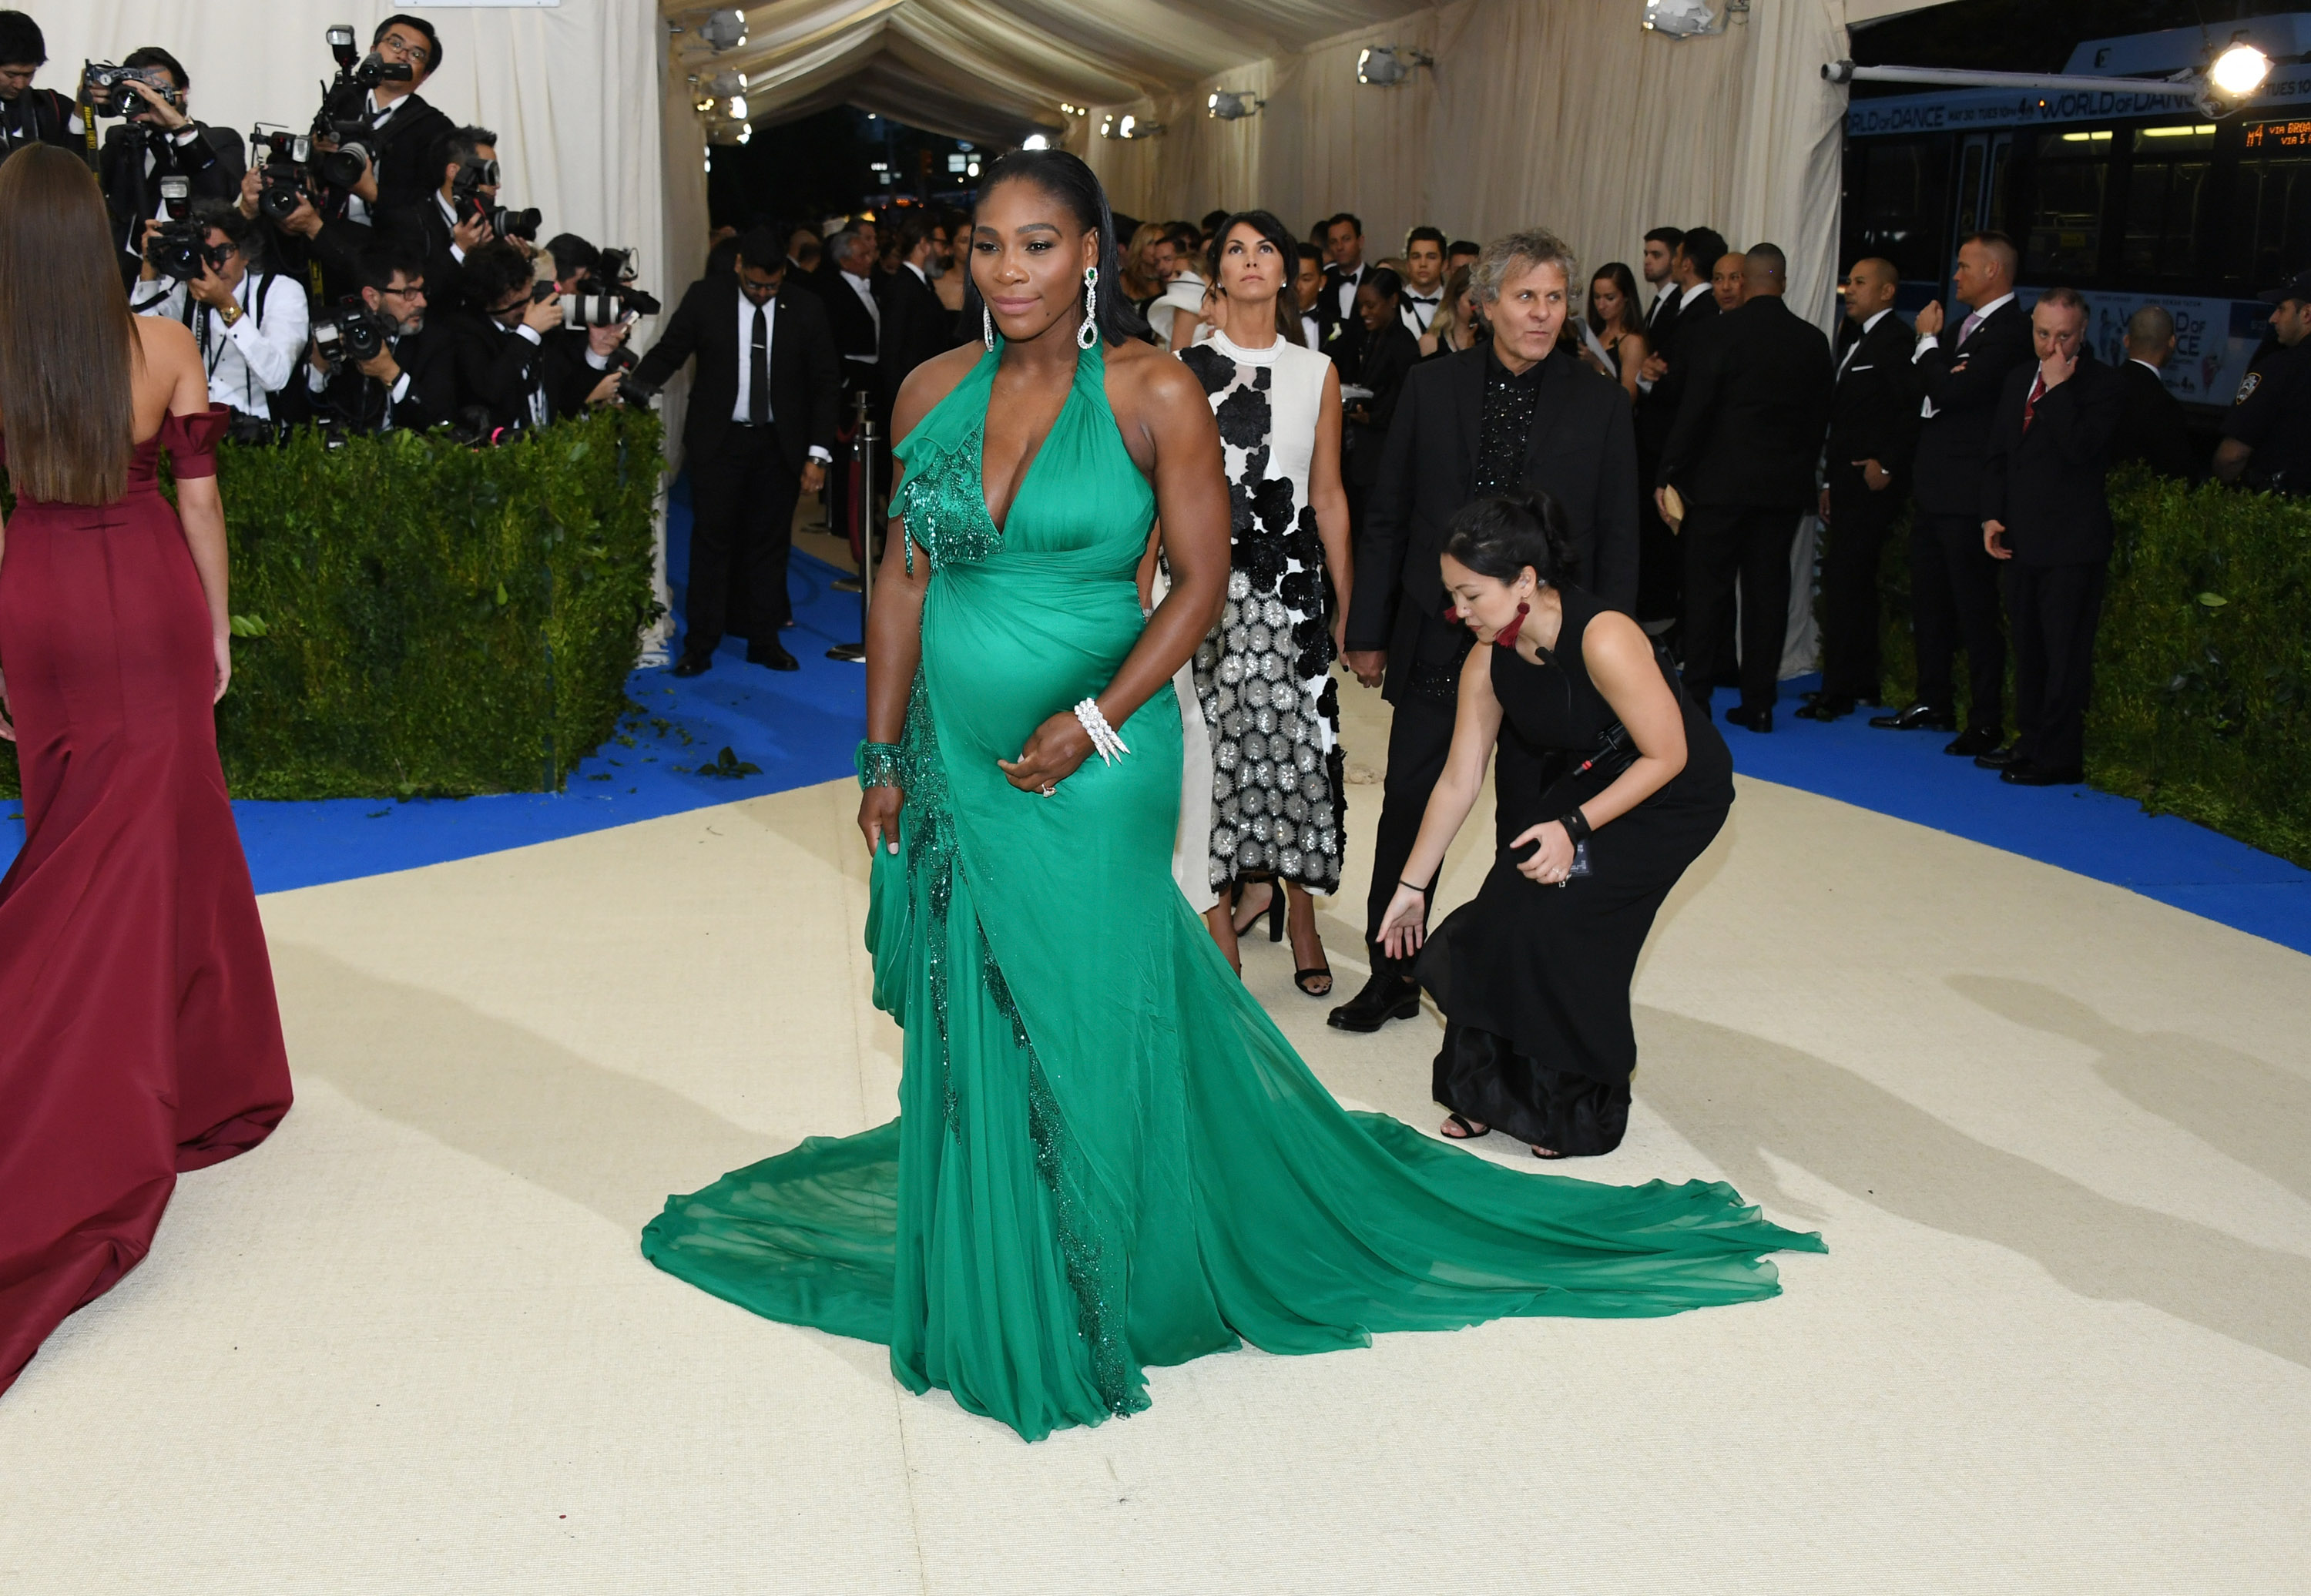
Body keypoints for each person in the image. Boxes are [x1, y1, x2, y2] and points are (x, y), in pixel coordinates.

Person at [636, 150, 1821, 1445]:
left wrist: (1094, 721)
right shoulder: (928, 387)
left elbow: (1203, 579)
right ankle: (999, 1234)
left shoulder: (1153, 388)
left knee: (1085, 999)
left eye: (1038, 244)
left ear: (1094, 253)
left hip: (1104, 755)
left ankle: (1102, 1261)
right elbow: (903, 578)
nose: (1009, 270)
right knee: (976, 1004)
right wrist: (879, 757)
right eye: (986, 244)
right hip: (953, 761)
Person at [0, 145, 291, 1397]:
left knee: (70, 829)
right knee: (169, 834)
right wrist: (218, 628)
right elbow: (201, 505)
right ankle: (159, 1073)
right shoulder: (165, 347)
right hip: (149, 596)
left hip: (41, 598)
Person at [1335, 227, 1639, 1033]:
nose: (1541, 313)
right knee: (1410, 803)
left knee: (1528, 822)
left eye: (1553, 298)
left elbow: (1619, 537)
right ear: (1485, 304)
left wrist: (1609, 656)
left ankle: (1507, 990)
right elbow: (1388, 513)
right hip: (1439, 638)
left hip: (1550, 655)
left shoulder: (1601, 403)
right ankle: (1392, 971)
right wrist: (1368, 627)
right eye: (1524, 296)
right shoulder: (1432, 388)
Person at [1377, 490, 1733, 1157]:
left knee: (1572, 923)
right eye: (1452, 594)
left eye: (1471, 595)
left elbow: (1669, 754)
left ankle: (1574, 1105)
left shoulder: (1605, 636)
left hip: (1676, 791)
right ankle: (1485, 1090)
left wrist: (1572, 826)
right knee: (1502, 911)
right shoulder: (1488, 660)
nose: (1457, 612)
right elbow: (1460, 779)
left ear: (1526, 583)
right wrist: (1412, 885)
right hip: (1599, 776)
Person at [1178, 210, 1354, 991]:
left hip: (1291, 586)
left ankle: (1302, 912)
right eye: (1236, 250)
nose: (1251, 261)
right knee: (1210, 752)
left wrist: (1350, 605)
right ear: (1217, 273)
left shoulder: (1318, 372)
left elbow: (1330, 495)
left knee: (1301, 750)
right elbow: (1162, 491)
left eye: (1267, 249)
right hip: (1204, 587)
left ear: (1289, 272)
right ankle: (1219, 908)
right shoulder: (1182, 367)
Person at [626, 224, 839, 675]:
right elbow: (670, 351)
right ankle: (699, 646)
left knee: (769, 547)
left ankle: (764, 640)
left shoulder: (806, 307)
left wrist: (817, 455)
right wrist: (632, 390)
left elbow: (824, 386)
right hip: (718, 443)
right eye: (754, 284)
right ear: (738, 265)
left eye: (772, 285)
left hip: (778, 445)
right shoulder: (706, 297)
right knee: (711, 545)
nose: (762, 294)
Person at [1655, 244, 1833, 733]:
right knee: (1767, 593)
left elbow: (1696, 411)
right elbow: (1819, 422)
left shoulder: (1720, 331)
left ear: (1748, 281)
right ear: (1783, 280)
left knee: (1706, 592)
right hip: (1781, 493)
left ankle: (1698, 700)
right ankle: (1759, 703)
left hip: (1718, 488)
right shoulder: (1813, 341)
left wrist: (1668, 471)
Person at [1872, 231, 2030, 753]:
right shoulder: (1963, 328)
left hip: (1970, 496)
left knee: (1975, 611)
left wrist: (1927, 347)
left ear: (1993, 272)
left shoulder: (2011, 331)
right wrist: (1938, 362)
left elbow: (1953, 390)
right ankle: (1933, 700)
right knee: (1931, 603)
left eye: (1964, 266)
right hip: (1935, 489)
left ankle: (1985, 719)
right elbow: (1936, 392)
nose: (1955, 275)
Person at [1981, 287, 2122, 786]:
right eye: (2043, 334)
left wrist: (2060, 390)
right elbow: (2001, 454)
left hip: (2071, 546)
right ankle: (2031, 741)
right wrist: (1991, 517)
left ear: (2082, 334)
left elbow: (2082, 449)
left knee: (2065, 655)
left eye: (2064, 336)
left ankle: (2060, 757)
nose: (2052, 346)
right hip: (2020, 541)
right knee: (2030, 649)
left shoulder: (2102, 386)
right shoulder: (2019, 377)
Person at [1806, 257, 1920, 723]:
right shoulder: (1852, 337)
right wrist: (1831, 480)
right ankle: (1859, 683)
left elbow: (1912, 407)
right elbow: (1844, 417)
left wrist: (1888, 464)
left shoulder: (1895, 339)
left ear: (1888, 292)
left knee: (1847, 582)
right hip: (1846, 480)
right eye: (1848, 282)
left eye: (1859, 283)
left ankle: (1840, 690)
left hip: (1872, 485)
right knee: (1847, 582)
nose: (1848, 290)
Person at [129, 201, 310, 440]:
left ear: (245, 253)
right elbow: (138, 351)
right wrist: (150, 267)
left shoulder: (282, 292)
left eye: (222, 252)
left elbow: (275, 376)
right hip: (190, 440)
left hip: (260, 440)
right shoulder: (182, 291)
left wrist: (227, 306)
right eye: (204, 253)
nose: (213, 265)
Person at [1632, 226, 1726, 641]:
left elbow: (1686, 383)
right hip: (1664, 438)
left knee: (1678, 539)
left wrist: (1652, 379)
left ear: (1684, 260)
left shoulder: (1703, 312)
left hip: (1677, 443)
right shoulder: (1683, 306)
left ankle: (1681, 626)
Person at [96, 46, 245, 289]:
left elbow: (221, 193)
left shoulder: (219, 140)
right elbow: (77, 186)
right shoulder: (120, 141)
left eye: (158, 92)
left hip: (190, 279)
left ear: (183, 91)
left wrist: (180, 128)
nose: (152, 100)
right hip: (122, 280)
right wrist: (82, 113)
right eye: (142, 93)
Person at [304, 240, 455, 434]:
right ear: (373, 297)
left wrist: (392, 375)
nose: (422, 302)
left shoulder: (435, 340)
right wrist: (317, 371)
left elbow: (442, 423)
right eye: (409, 293)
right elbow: (298, 418)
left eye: (422, 291)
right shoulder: (341, 332)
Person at [334, 15, 454, 220]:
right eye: (395, 44)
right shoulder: (342, 101)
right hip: (323, 231)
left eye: (416, 54)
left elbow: (426, 207)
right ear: (373, 52)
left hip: (385, 243)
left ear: (425, 76)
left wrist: (374, 194)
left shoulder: (436, 128)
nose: (403, 55)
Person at [384, 125, 507, 315]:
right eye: (488, 173)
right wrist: (459, 250)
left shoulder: (490, 219)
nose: (496, 184)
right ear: (454, 172)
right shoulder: (410, 221)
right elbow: (419, 294)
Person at [2215, 270, 2311, 492]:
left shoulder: (2279, 368)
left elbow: (2231, 456)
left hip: (2280, 508)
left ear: (2307, 314)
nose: (2273, 318)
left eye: (2281, 308)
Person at [1345, 266, 1418, 551]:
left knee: (1376, 534)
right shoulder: (1373, 336)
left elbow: (1408, 403)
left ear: (1393, 301)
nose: (1364, 312)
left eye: (1371, 305)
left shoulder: (1403, 345)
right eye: (1361, 305)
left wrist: (1371, 416)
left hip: (1384, 455)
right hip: (1366, 453)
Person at [878, 210, 952, 416]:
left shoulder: (923, 284)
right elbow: (891, 352)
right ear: (923, 244)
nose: (946, 252)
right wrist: (900, 408)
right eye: (941, 244)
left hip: (925, 397)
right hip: (912, 403)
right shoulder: (902, 287)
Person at [2111, 304, 2195, 481]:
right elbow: (2178, 475)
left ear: (2126, 340)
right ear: (2172, 342)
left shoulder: (2099, 387)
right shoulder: (2165, 407)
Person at [0, 12, 78, 157]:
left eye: (29, 74)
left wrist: (82, 109)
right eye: (11, 75)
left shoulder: (51, 108)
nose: (20, 84)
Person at [1582, 261, 1650, 404]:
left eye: (1610, 298)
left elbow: (1628, 398)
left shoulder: (1632, 341)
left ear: (1626, 297)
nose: (1601, 305)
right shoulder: (1594, 333)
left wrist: (1599, 366)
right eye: (1596, 297)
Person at [1320, 212, 1370, 376]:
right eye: (1334, 242)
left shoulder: (1375, 280)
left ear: (1360, 241)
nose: (1340, 247)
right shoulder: (1323, 281)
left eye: (1346, 239)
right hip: (1330, 369)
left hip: (1366, 369)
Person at [1420, 263, 1480, 359]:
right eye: (1472, 302)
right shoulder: (1431, 342)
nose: (1478, 308)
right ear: (1455, 299)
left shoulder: (1492, 339)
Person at [1399, 226, 1447, 335]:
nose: (1423, 264)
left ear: (1444, 264)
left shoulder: (1453, 304)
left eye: (1431, 257)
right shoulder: (1394, 305)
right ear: (1407, 264)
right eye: (1416, 257)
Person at [1640, 226, 1683, 336]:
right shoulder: (1660, 300)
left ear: (1675, 258)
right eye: (1646, 254)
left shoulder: (1681, 301)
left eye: (1656, 255)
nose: (1647, 261)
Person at [1292, 241, 1325, 349]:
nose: (1298, 286)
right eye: (1293, 278)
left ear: (1321, 282)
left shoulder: (1343, 329)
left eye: (1306, 279)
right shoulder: (1272, 323)